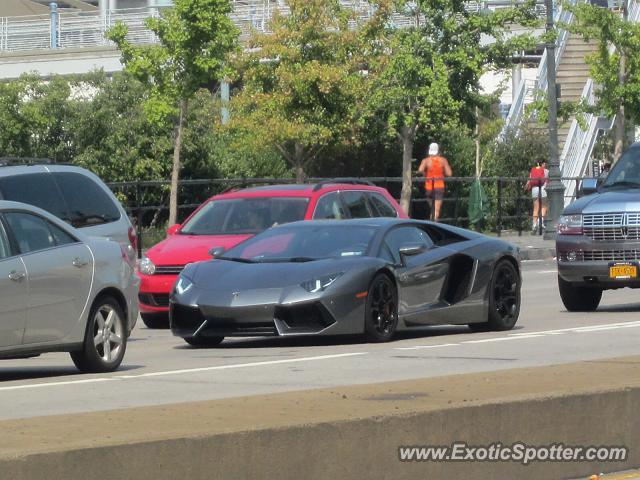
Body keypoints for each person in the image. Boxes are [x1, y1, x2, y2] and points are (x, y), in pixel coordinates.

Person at [418, 142, 452, 221]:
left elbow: (420, 170)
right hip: (439, 187)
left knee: (433, 209)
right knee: (436, 211)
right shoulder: (443, 160)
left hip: (429, 187)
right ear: (438, 151)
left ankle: (432, 224)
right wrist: (442, 173)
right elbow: (449, 173)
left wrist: (425, 174)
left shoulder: (426, 161)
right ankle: (433, 227)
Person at [525, 160, 548, 234]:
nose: (545, 165)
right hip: (543, 188)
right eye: (545, 163)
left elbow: (529, 180)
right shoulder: (546, 171)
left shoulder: (533, 170)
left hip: (534, 188)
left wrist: (526, 187)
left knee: (536, 208)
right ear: (543, 164)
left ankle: (534, 225)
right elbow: (548, 180)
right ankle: (540, 222)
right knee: (544, 206)